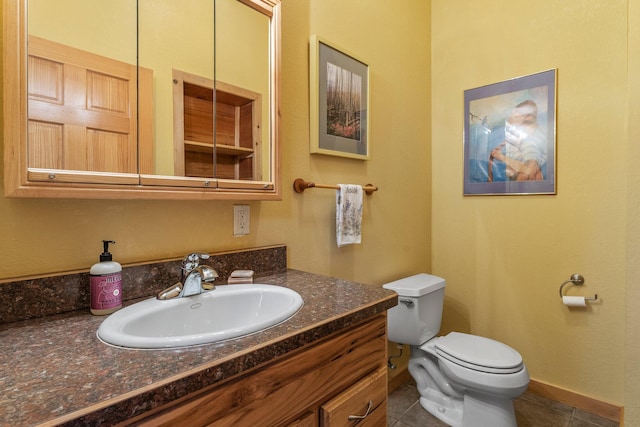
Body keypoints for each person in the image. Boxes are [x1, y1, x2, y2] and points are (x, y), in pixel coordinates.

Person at [489, 99, 547, 182]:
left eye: (516, 113)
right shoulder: (513, 135)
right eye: (513, 112)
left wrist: (502, 157)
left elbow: (529, 169)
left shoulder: (530, 140)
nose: (511, 117)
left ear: (527, 118)